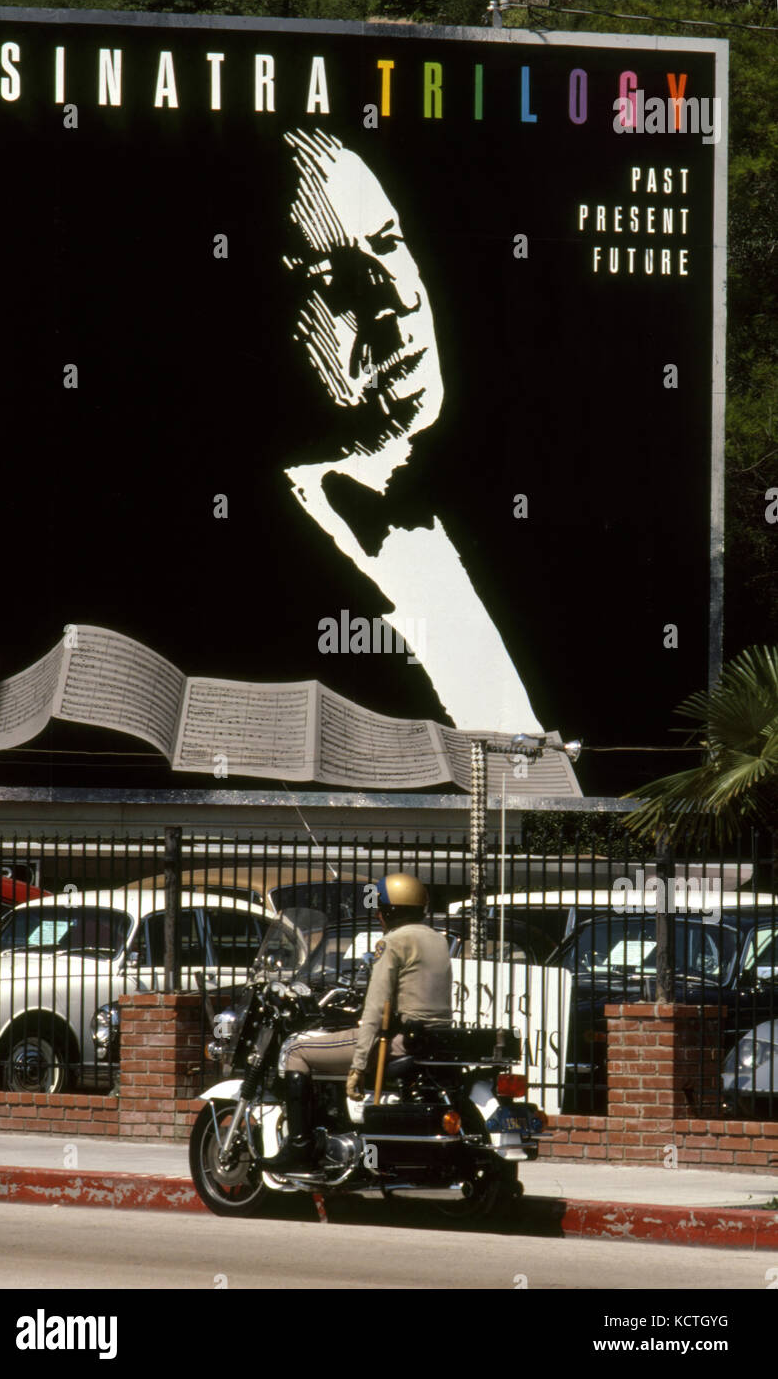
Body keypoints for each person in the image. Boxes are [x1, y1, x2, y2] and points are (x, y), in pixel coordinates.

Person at [280, 128, 544, 738]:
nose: (396, 298)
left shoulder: (490, 525)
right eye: (332, 279)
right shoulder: (262, 569)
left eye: (388, 244)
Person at [258, 871, 453, 1173]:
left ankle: (301, 1147)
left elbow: (375, 1009)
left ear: (389, 911)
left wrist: (358, 1066)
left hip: (398, 1040)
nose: (377, 915)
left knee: (297, 1051)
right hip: (431, 1038)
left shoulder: (392, 943)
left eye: (380, 909)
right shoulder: (437, 940)